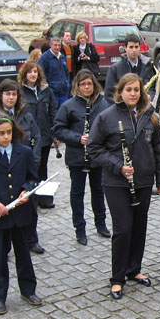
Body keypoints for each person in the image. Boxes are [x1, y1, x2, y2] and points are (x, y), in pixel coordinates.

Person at [87, 73, 160, 300]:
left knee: (139, 227)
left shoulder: (149, 115)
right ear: (120, 92)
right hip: (116, 182)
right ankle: (117, 278)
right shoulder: (106, 117)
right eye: (129, 89)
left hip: (143, 181)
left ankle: (134, 268)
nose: (133, 93)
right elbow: (94, 149)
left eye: (136, 90)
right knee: (123, 229)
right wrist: (118, 166)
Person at [0, 115, 42, 315]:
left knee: (24, 255)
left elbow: (32, 178)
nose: (6, 137)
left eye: (9, 133)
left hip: (20, 214)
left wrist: (25, 190)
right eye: (1, 133)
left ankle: (28, 290)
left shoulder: (24, 152)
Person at [0, 79, 44, 253]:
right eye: (7, 94)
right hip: (3, 170)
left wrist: (33, 161)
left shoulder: (26, 114)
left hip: (25, 168)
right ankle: (7, 243)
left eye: (14, 94)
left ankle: (31, 240)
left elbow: (37, 137)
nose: (11, 97)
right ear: (0, 96)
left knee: (30, 207)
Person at [53, 70, 111, 245]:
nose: (87, 87)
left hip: (97, 156)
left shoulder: (103, 103)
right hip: (77, 156)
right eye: (83, 84)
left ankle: (101, 224)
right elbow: (58, 129)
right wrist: (78, 138)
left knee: (99, 191)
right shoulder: (69, 105)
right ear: (77, 86)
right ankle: (80, 229)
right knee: (77, 193)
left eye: (89, 84)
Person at [18, 61, 58, 209]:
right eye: (30, 72)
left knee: (43, 167)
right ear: (25, 74)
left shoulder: (45, 90)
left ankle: (45, 198)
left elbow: (53, 109)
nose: (33, 75)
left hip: (45, 133)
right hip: (28, 136)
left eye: (35, 72)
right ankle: (31, 197)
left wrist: (55, 129)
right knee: (30, 167)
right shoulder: (20, 92)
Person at [104, 34, 154, 103]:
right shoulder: (115, 69)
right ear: (125, 48)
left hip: (142, 108)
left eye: (136, 47)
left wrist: (149, 97)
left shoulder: (147, 66)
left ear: (140, 47)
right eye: (131, 47)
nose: (134, 50)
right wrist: (121, 105)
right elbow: (109, 94)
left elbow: (152, 87)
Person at [38, 37, 70, 107]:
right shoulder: (44, 58)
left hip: (64, 91)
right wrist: (48, 89)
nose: (57, 47)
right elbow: (41, 75)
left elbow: (66, 72)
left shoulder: (62, 56)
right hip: (53, 93)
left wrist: (67, 84)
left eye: (59, 45)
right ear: (51, 45)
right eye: (55, 45)